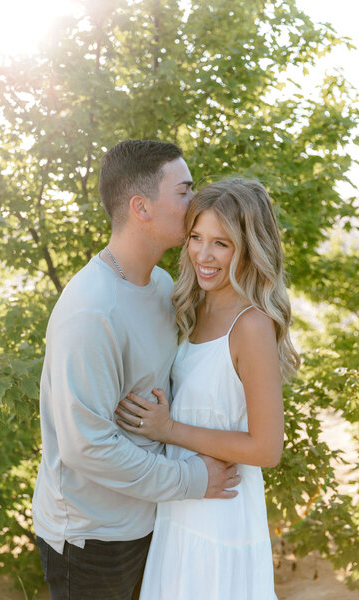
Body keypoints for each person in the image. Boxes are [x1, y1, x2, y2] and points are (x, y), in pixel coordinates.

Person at [32, 140, 241, 600]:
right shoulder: (92, 310)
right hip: (91, 538)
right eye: (184, 191)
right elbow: (87, 448)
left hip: (151, 519)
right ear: (141, 207)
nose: (196, 203)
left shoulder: (163, 287)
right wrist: (193, 480)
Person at [116, 178, 300, 600]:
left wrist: (169, 430)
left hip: (221, 520)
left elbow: (267, 448)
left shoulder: (251, 325)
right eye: (196, 237)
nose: (203, 254)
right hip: (179, 509)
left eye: (221, 243)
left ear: (249, 247)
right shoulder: (192, 305)